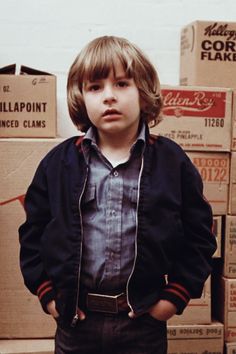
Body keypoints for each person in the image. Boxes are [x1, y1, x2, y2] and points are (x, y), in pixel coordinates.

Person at [19, 36, 217, 354]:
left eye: (122, 84)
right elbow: (33, 234)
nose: (109, 96)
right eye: (95, 87)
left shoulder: (171, 161)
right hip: (75, 323)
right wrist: (49, 297)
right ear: (80, 97)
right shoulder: (58, 163)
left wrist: (173, 298)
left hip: (143, 323)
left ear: (143, 92)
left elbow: (201, 235)